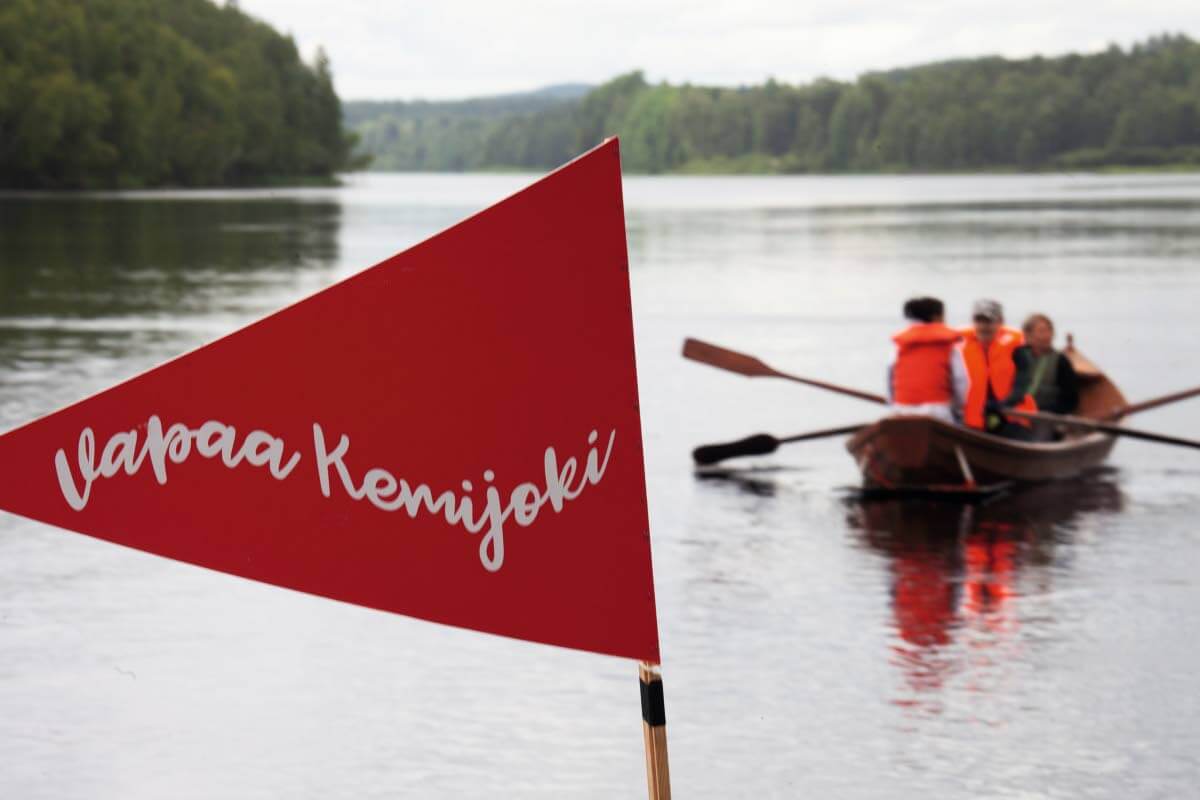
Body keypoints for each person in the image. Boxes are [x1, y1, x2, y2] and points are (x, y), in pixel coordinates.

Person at [959, 299, 1037, 439]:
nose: (983, 327)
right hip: (973, 421)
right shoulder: (960, 348)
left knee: (1012, 435)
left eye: (989, 321)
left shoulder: (1017, 348)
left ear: (1000, 321)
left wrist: (1004, 404)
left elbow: (1023, 382)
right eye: (979, 321)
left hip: (1011, 416)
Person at [886, 296, 968, 425]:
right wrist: (958, 409)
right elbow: (960, 381)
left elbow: (890, 379)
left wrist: (893, 404)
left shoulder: (900, 346)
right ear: (936, 317)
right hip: (937, 411)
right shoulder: (949, 346)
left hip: (902, 409)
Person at [1017, 313, 1080, 440]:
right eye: (1041, 331)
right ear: (1027, 336)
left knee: (1038, 437)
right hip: (1016, 413)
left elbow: (1070, 400)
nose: (1047, 336)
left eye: (1049, 331)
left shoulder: (1061, 362)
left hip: (1045, 417)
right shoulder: (1016, 356)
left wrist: (1044, 411)